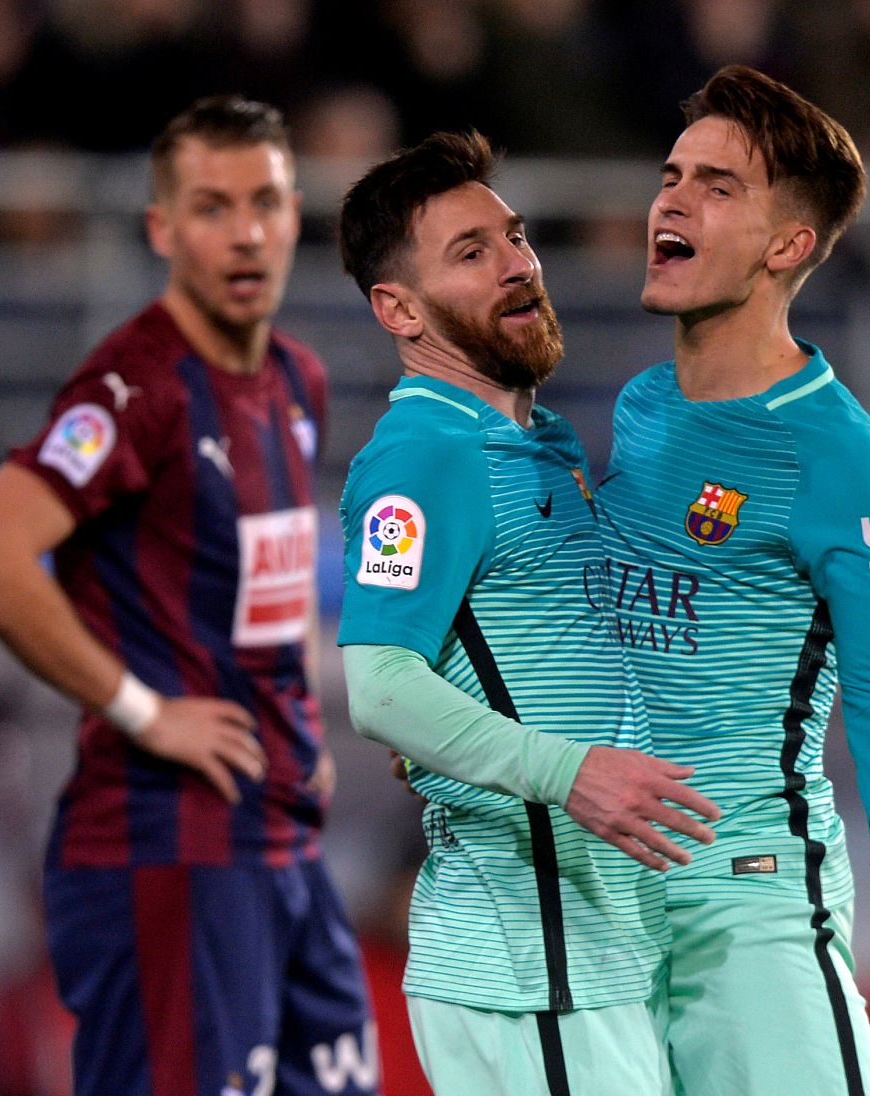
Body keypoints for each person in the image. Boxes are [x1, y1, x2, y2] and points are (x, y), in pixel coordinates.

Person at [0, 95, 377, 1096]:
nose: (244, 231)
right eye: (211, 206)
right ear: (162, 229)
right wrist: (145, 711)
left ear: (296, 212)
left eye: (263, 201)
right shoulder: (133, 390)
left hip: (277, 835)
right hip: (166, 846)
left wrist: (297, 722)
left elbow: (267, 576)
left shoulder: (296, 378)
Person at [595, 64, 870, 1095]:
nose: (673, 199)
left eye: (718, 185)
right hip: (602, 904)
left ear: (788, 247)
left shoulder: (837, 456)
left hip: (748, 905)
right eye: (672, 173)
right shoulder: (643, 406)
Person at [334, 130, 721, 1096]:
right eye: (472, 254)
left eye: (516, 238)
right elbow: (380, 687)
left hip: (605, 954)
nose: (518, 266)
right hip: (527, 972)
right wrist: (568, 770)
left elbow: (501, 658)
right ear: (399, 308)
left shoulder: (540, 444)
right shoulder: (423, 457)